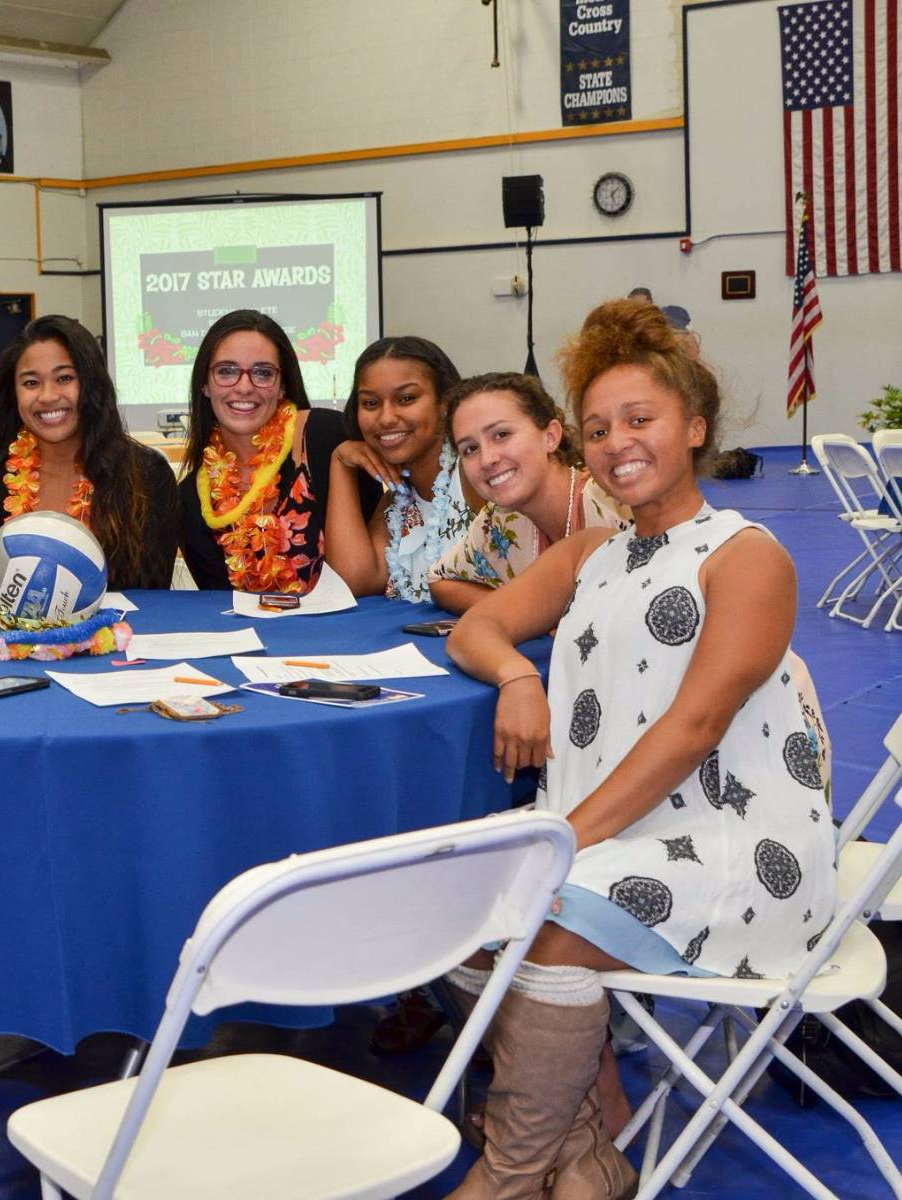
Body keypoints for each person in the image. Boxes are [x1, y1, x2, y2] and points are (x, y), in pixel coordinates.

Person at [441, 300, 834, 1198]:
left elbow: (694, 730)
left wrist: (562, 842)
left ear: (694, 428)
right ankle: (583, 1155)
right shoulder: (592, 554)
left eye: (641, 420)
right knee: (460, 917)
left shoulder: (745, 557)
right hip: (613, 837)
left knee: (541, 920)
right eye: (598, 427)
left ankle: (509, 1172)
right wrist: (518, 677)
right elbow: (481, 629)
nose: (618, 441)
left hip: (739, 845)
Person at [0, 315, 178, 588]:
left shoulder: (146, 477)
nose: (48, 396)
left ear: (91, 384)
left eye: (64, 378)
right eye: (31, 383)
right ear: (13, 394)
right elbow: (1, 593)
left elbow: (153, 593)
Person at [177, 309, 366, 593]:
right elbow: (220, 608)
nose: (244, 387)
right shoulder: (193, 498)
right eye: (226, 371)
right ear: (204, 384)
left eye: (263, 373)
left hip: (349, 631)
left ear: (282, 386)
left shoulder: (325, 439)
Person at [428, 372, 633, 614]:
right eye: (470, 448)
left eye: (501, 435)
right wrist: (530, 612)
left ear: (550, 437)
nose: (487, 459)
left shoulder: (619, 503)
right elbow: (441, 581)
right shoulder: (499, 522)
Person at [324, 336, 475, 600]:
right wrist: (340, 464)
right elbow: (354, 581)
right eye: (371, 403)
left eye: (406, 398)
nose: (386, 418)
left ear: (445, 403)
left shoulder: (476, 477)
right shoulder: (399, 496)